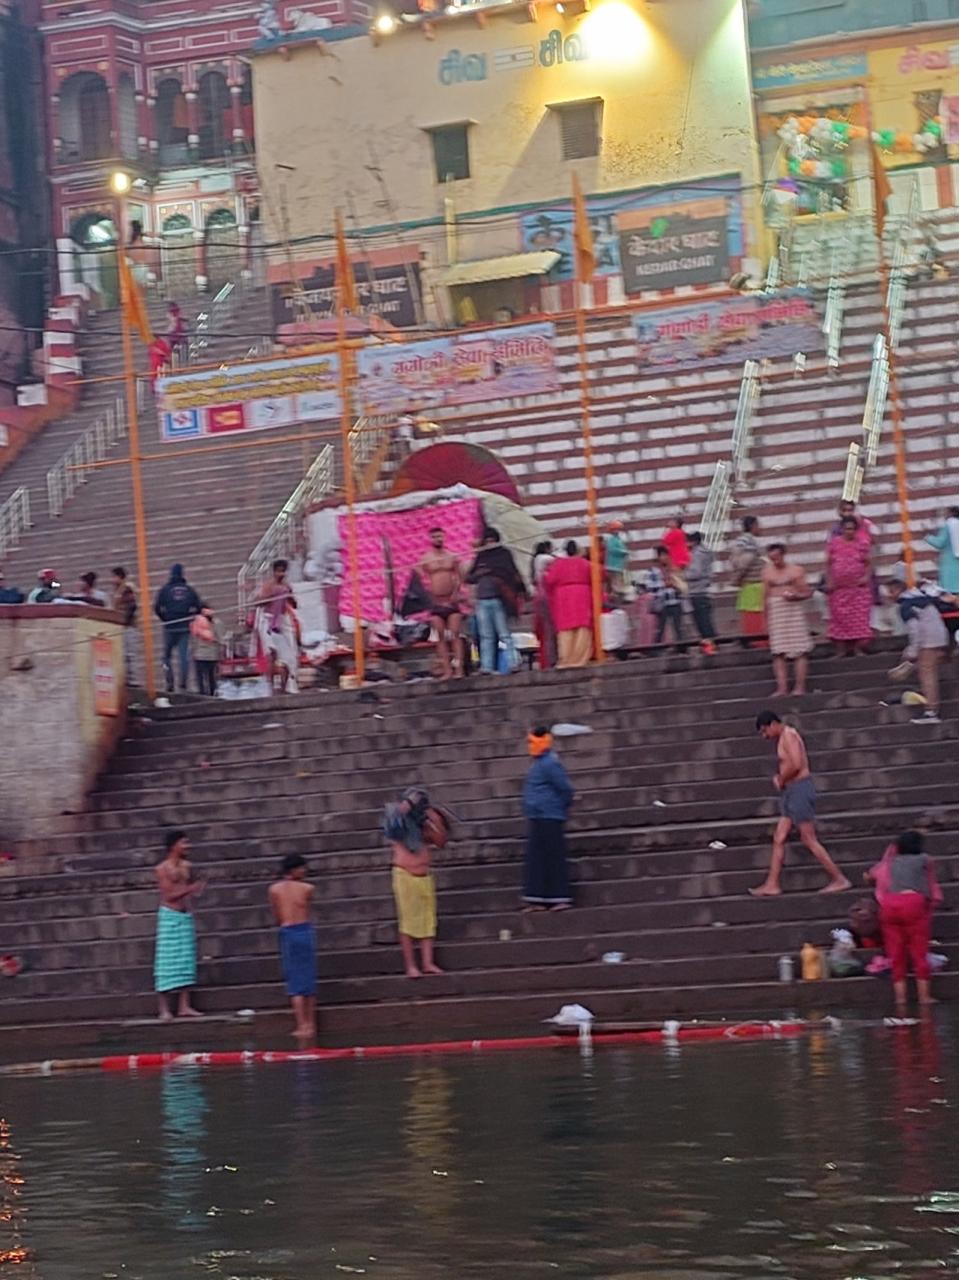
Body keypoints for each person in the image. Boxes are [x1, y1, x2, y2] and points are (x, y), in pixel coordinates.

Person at [751, 710, 851, 897]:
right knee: (779, 837)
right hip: (790, 792)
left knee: (808, 839)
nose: (765, 736)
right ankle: (772, 884)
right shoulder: (782, 738)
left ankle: (839, 879)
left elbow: (796, 764)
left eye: (765, 731)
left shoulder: (789, 735)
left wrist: (781, 779)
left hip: (800, 790)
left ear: (773, 724)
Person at [866, 830, 942, 1009]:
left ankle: (900, 999)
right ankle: (924, 998)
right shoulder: (926, 859)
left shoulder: (891, 861)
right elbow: (930, 884)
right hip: (913, 903)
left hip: (889, 904)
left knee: (896, 955)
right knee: (919, 953)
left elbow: (875, 874)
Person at [383, 787, 447, 978]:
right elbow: (393, 823)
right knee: (408, 923)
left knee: (428, 921)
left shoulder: (423, 824)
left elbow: (440, 842)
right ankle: (411, 965)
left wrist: (435, 820)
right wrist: (407, 805)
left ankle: (427, 962)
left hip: (424, 877)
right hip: (405, 875)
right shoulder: (398, 820)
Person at [154, 830, 204, 1021]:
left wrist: (196, 889)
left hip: (184, 916)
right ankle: (164, 1008)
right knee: (166, 960)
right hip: (169, 916)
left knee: (186, 960)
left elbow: (191, 890)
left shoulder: (187, 867)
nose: (187, 846)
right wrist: (189, 889)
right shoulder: (162, 869)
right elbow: (169, 895)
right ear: (174, 845)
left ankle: (184, 1006)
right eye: (184, 843)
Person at [522, 727, 574, 911]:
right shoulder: (538, 763)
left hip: (550, 816)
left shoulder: (550, 763)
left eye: (532, 742)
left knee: (553, 857)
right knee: (537, 859)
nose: (529, 746)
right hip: (537, 816)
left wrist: (559, 806)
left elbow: (565, 788)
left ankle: (559, 897)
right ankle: (537, 897)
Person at [887, 578, 950, 724]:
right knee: (927, 672)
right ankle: (927, 702)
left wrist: (912, 651)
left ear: (898, 590)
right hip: (940, 636)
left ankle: (931, 711)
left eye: (891, 591)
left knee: (927, 675)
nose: (889, 595)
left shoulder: (906, 605)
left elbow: (915, 630)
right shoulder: (921, 598)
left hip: (927, 640)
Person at [269, 853, 317, 1039]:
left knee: (295, 981)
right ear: (294, 869)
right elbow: (306, 910)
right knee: (307, 979)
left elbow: (277, 914)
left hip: (288, 932)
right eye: (301, 868)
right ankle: (309, 1023)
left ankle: (302, 1024)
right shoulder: (307, 888)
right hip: (303, 931)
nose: (304, 871)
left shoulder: (274, 889)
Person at [465, 527, 525, 675]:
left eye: (492, 540)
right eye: (488, 541)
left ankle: (513, 663)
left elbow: (511, 574)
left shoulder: (504, 554)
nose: (490, 543)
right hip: (482, 601)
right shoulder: (481, 556)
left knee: (504, 634)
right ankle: (487, 666)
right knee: (486, 636)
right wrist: (481, 573)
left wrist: (493, 572)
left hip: (499, 600)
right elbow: (469, 577)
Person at [763, 544, 813, 696]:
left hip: (793, 610)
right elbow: (765, 596)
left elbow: (807, 592)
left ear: (783, 555)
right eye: (772, 559)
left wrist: (796, 596)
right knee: (778, 651)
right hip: (776, 611)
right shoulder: (766, 572)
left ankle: (800, 687)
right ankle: (782, 688)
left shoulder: (796, 570)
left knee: (800, 650)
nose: (775, 561)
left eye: (777, 558)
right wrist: (765, 618)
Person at [417, 526, 465, 680]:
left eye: (440, 536)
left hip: (451, 601)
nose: (438, 539)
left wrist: (456, 593)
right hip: (436, 603)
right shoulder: (426, 559)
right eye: (435, 537)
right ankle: (447, 670)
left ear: (444, 537)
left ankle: (459, 669)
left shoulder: (452, 556)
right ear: (430, 539)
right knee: (440, 636)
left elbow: (460, 577)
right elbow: (419, 580)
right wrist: (428, 595)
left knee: (455, 634)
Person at [825, 515, 873, 656]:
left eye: (852, 529)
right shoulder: (834, 544)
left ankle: (858, 649)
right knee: (839, 620)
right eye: (847, 529)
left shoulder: (862, 544)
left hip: (858, 590)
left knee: (859, 620)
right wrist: (829, 580)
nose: (849, 531)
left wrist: (866, 577)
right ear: (842, 529)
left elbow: (869, 563)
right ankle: (841, 651)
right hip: (839, 590)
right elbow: (828, 564)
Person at [544, 540, 593, 668]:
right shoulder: (585, 563)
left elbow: (549, 580)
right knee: (582, 627)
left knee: (565, 629)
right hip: (582, 594)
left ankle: (565, 659)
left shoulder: (558, 564)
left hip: (563, 596)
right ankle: (579, 659)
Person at [254, 558, 300, 694]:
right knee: (272, 654)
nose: (281, 574)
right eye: (278, 571)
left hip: (282, 620)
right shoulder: (268, 586)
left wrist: (289, 596)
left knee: (289, 656)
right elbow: (258, 603)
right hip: (268, 621)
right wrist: (272, 595)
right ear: (274, 572)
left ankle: (288, 686)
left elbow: (294, 605)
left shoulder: (286, 586)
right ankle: (270, 687)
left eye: (283, 571)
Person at [154, 563, 201, 693]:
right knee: (183, 658)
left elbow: (157, 607)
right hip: (184, 627)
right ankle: (183, 684)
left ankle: (169, 682)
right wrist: (190, 617)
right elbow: (198, 606)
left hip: (169, 627)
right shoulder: (189, 590)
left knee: (166, 657)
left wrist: (165, 618)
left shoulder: (165, 590)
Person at [730, 516, 765, 642]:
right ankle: (757, 641)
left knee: (753, 614)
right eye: (758, 525)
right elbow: (744, 563)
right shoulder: (747, 542)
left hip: (751, 584)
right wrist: (737, 579)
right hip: (753, 584)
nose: (760, 528)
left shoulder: (746, 541)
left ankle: (755, 639)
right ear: (752, 526)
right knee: (755, 614)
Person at [644, 545, 684, 646]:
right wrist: (663, 584)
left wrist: (676, 585)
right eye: (662, 555)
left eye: (666, 555)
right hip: (662, 604)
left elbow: (682, 584)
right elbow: (649, 587)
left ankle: (682, 649)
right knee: (660, 629)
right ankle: (655, 649)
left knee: (678, 628)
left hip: (675, 602)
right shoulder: (652, 571)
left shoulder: (673, 569)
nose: (665, 557)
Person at [686, 531, 717, 655]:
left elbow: (696, 572)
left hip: (697, 591)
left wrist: (683, 575)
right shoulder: (704, 553)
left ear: (693, 542)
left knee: (702, 622)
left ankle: (710, 647)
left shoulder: (697, 554)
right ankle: (710, 645)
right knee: (704, 620)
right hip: (702, 590)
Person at [530, 539, 557, 670]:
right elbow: (557, 560)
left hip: (541, 596)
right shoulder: (542, 559)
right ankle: (549, 659)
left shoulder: (536, 561)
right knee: (549, 630)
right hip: (546, 596)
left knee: (546, 630)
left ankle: (548, 659)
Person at [111, 566, 138, 683]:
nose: (112, 580)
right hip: (122, 625)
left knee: (129, 653)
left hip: (128, 626)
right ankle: (127, 678)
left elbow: (132, 606)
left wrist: (124, 620)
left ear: (119, 577)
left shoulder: (126, 589)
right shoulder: (119, 590)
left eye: (114, 577)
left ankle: (132, 679)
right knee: (124, 653)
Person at [190, 603, 223, 696]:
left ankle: (202, 694)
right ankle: (213, 694)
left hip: (199, 655)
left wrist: (193, 652)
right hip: (213, 655)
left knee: (200, 678)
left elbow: (193, 640)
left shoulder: (195, 623)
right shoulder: (217, 623)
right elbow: (221, 639)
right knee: (212, 677)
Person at [925, 506, 959, 594]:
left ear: (951, 514)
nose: (944, 515)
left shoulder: (948, 525)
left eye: (946, 513)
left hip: (950, 562)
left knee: (950, 591)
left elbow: (939, 543)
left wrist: (927, 537)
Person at [604, 521, 631, 597]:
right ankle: (616, 594)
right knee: (616, 583)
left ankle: (617, 594)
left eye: (618, 529)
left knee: (619, 582)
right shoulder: (611, 539)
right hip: (614, 566)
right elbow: (612, 549)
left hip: (618, 565)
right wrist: (624, 552)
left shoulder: (617, 539)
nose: (617, 531)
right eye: (615, 529)